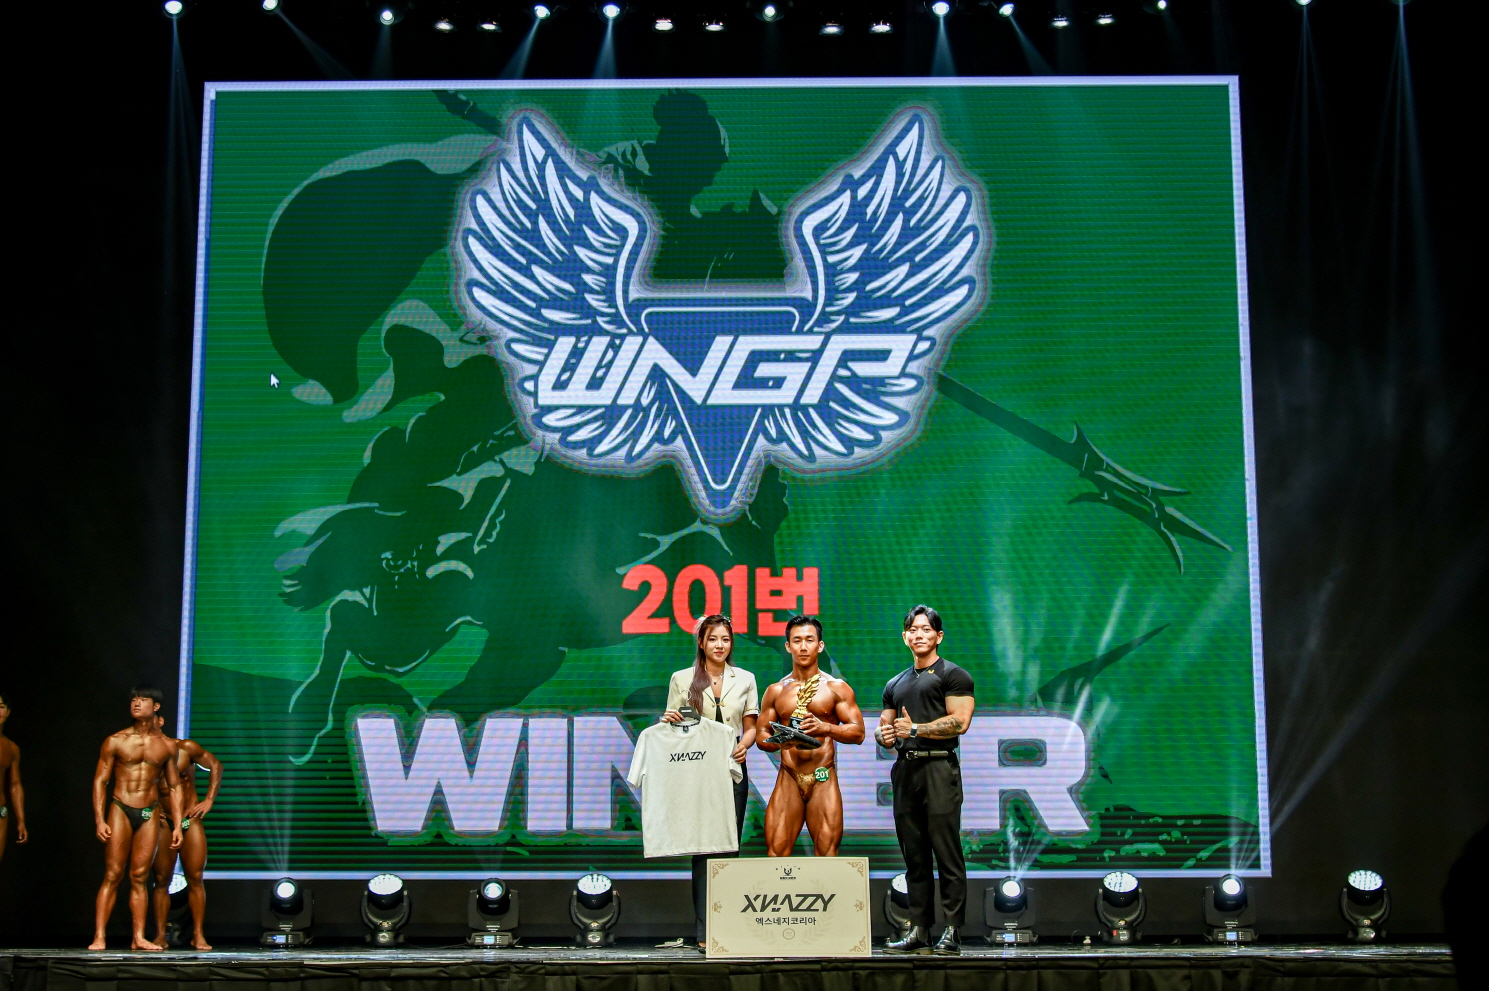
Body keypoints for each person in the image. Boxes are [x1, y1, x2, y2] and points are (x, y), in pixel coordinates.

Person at [877, 605, 975, 955]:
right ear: (905, 637)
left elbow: (960, 721)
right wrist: (884, 735)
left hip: (938, 768)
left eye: (926, 629)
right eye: (913, 630)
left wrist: (916, 729)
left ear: (939, 636)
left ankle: (953, 930)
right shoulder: (895, 683)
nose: (919, 635)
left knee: (946, 853)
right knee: (914, 856)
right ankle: (919, 929)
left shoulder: (953, 675)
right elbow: (885, 726)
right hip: (906, 770)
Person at [662, 614, 759, 948]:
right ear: (701, 642)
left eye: (726, 639)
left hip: (732, 768)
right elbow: (674, 727)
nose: (720, 645)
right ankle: (705, 931)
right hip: (697, 770)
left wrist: (745, 745)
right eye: (713, 639)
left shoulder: (745, 679)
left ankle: (727, 925)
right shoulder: (682, 678)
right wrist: (669, 720)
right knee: (704, 849)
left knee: (729, 847)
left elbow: (751, 726)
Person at [757, 615, 865, 857]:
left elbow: (858, 732)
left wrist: (826, 728)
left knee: (827, 854)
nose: (803, 647)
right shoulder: (776, 691)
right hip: (789, 775)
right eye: (797, 641)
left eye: (809, 640)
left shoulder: (837, 688)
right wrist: (780, 741)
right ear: (788, 646)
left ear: (820, 645)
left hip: (822, 775)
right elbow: (762, 734)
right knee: (776, 852)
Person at [90, 688, 184, 951]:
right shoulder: (116, 740)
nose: (136, 703)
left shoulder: (167, 745)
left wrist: (178, 825)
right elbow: (100, 781)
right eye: (133, 699)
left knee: (141, 876)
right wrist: (99, 820)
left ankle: (139, 937)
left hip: (149, 811)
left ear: (156, 707)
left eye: (142, 700)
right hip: (121, 807)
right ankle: (99, 936)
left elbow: (174, 786)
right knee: (113, 874)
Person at [150, 714, 223, 950]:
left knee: (195, 878)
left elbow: (215, 765)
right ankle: (160, 935)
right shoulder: (144, 756)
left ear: (161, 721)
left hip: (189, 819)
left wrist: (208, 800)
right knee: (161, 880)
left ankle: (198, 935)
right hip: (163, 820)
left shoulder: (185, 748)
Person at [0, 692, 27, 859]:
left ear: (8, 712)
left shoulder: (12, 748)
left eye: (1, 707)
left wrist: (21, 820)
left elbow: (15, 785)